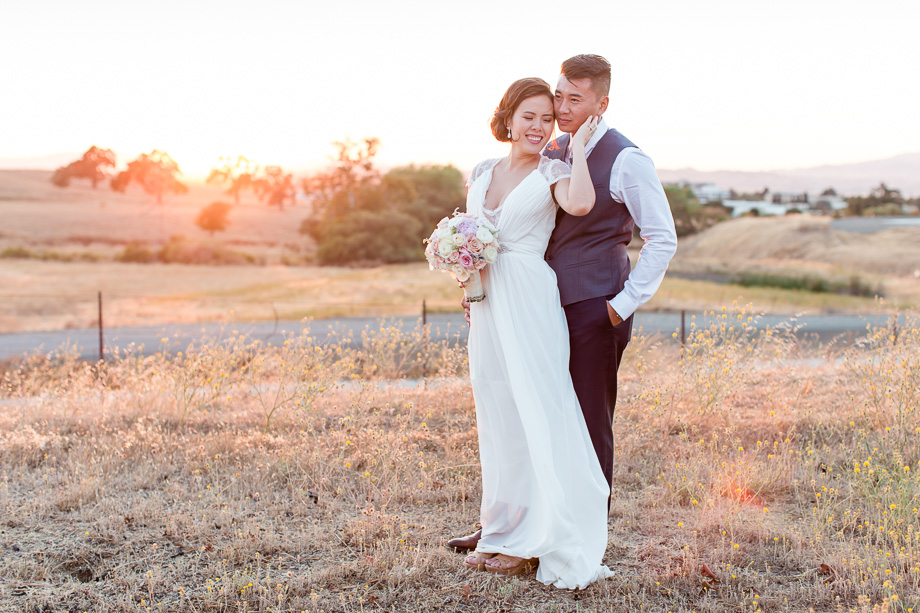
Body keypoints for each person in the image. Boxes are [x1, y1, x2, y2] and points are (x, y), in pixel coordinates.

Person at [450, 54, 678, 575]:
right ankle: (506, 522)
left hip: (595, 308)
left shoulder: (626, 159)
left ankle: (574, 536)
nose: (561, 108)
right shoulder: (545, 149)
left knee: (582, 421)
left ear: (602, 102)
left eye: (575, 99)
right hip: (533, 301)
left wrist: (621, 307)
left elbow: (661, 238)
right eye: (559, 96)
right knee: (520, 408)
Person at [458, 76, 615, 589]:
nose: (540, 126)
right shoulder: (482, 172)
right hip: (486, 304)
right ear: (508, 118)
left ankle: (540, 536)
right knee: (498, 409)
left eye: (548, 119)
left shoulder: (554, 171)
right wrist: (468, 286)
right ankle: (502, 530)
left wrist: (582, 150)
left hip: (528, 296)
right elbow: (471, 237)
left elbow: (582, 206)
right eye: (530, 116)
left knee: (536, 408)